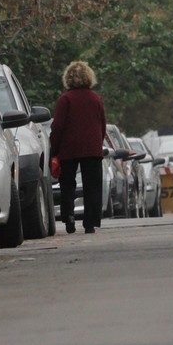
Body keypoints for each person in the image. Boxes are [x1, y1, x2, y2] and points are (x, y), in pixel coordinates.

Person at [50, 61, 107, 234]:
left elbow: (58, 125)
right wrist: (98, 143)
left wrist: (54, 148)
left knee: (67, 184)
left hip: (69, 148)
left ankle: (69, 217)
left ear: (67, 78)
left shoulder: (65, 99)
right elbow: (102, 124)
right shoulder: (95, 98)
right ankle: (90, 222)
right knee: (92, 186)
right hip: (92, 149)